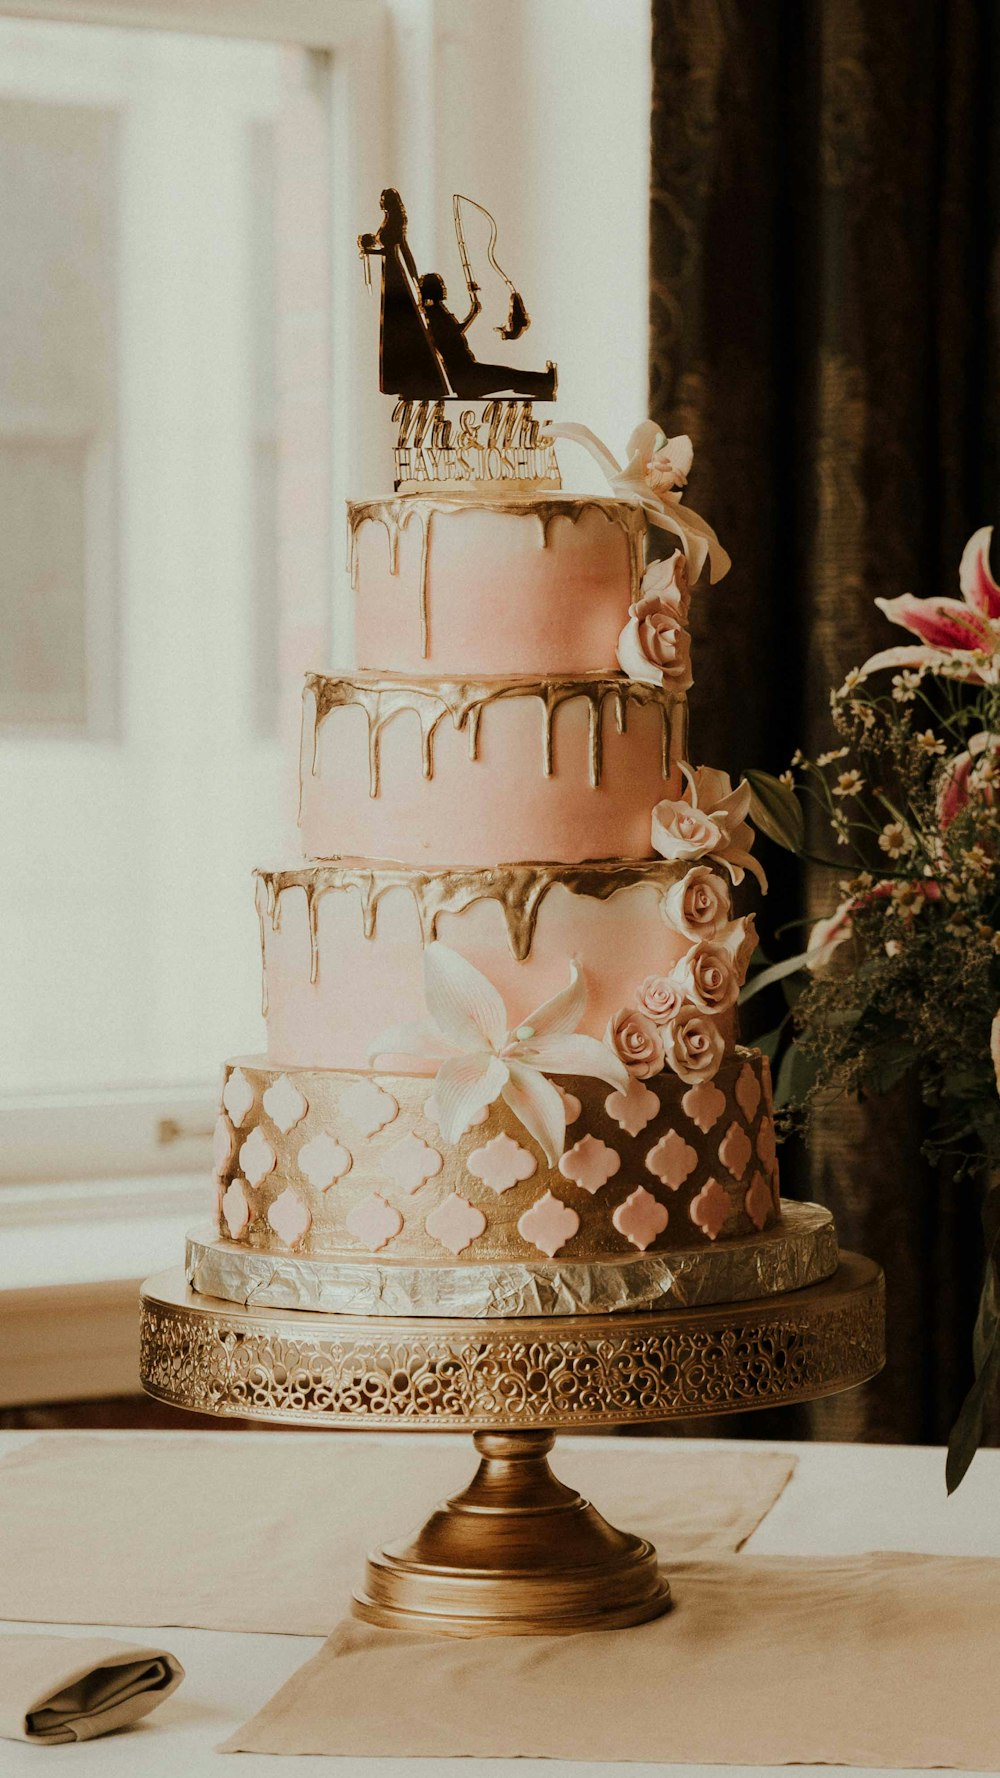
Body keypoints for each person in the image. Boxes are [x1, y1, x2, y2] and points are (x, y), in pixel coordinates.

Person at [358, 189, 448, 398]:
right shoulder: (389, 220)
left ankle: (415, 377)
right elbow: (389, 250)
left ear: (389, 202)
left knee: (400, 321)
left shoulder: (395, 224)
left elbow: (403, 251)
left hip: (394, 275)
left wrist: (416, 280)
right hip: (389, 273)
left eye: (383, 199)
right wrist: (368, 249)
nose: (380, 202)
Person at [418, 272, 557, 401]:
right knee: (508, 377)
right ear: (433, 289)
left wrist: (473, 313)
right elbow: (452, 333)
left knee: (508, 376)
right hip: (465, 375)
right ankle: (544, 383)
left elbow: (453, 331)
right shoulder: (434, 313)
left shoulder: (434, 311)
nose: (444, 288)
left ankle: (543, 382)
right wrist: (473, 313)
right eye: (440, 285)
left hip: (466, 371)